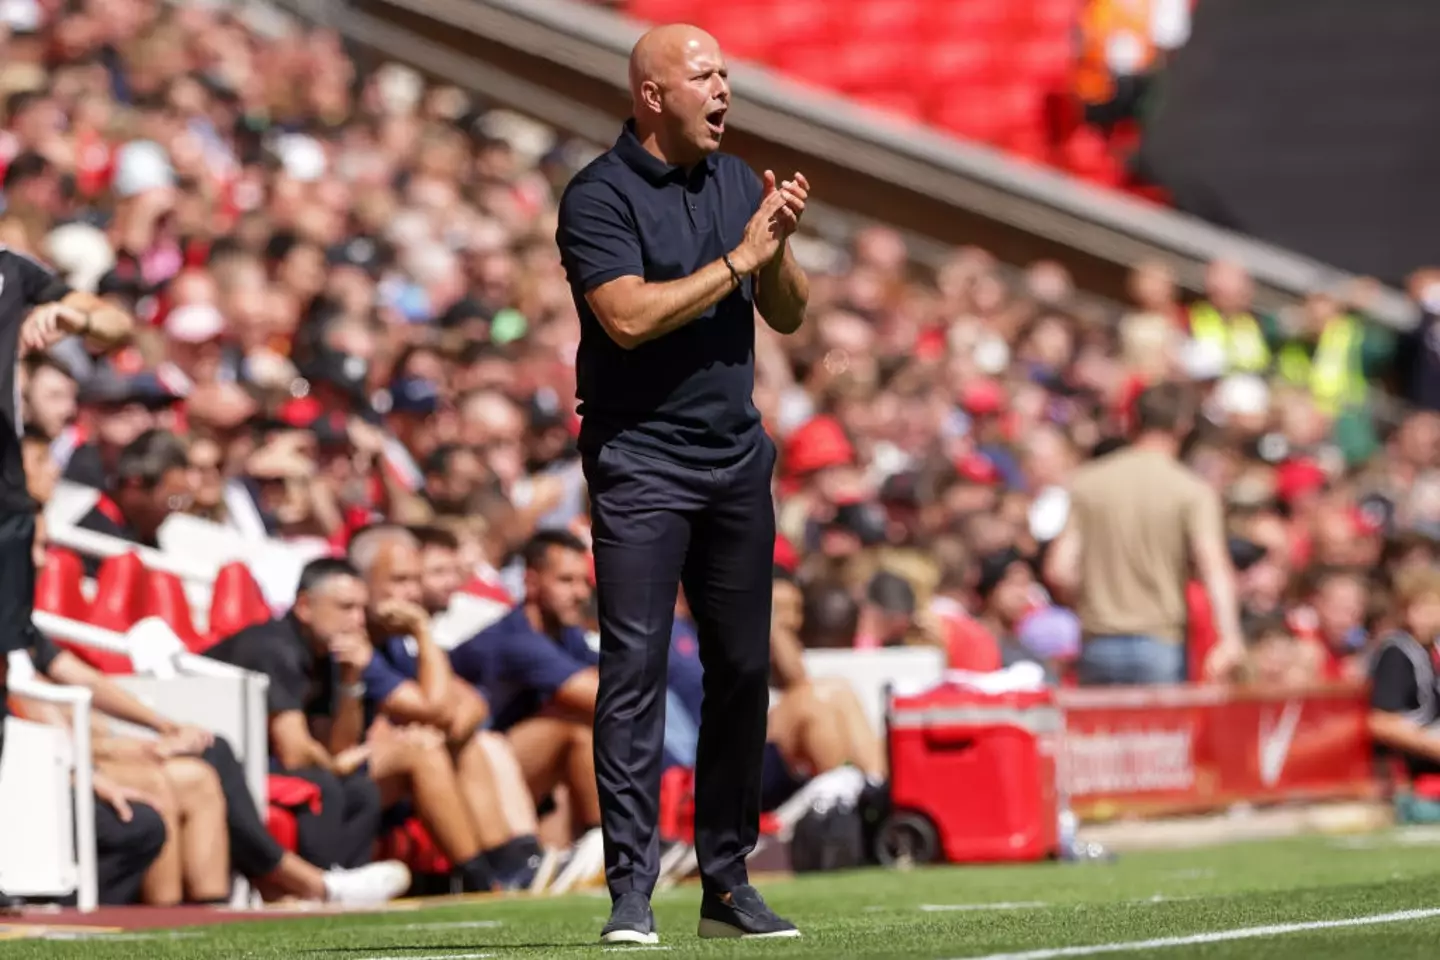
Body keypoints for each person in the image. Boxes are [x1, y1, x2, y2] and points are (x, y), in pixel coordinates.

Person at [555, 23, 809, 943]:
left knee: (742, 671)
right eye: (704, 75)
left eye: (727, 74)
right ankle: (631, 889)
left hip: (736, 459)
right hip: (641, 461)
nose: (724, 89)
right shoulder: (598, 195)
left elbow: (788, 314)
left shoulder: (738, 181)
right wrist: (737, 260)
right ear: (654, 95)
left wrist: (777, 245)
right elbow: (624, 318)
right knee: (635, 670)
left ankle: (726, 885)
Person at [24, 626, 411, 905]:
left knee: (201, 770)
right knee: (167, 779)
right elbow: (37, 706)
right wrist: (113, 749)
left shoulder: (21, 624)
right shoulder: (9, 625)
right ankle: (303, 884)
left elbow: (78, 679)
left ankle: (209, 914)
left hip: (75, 746)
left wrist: (166, 726)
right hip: (41, 758)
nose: (38, 558)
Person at [204, 557, 475, 888]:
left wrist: (351, 679)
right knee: (327, 785)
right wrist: (335, 764)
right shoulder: (272, 648)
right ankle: (325, 887)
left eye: (361, 609)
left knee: (361, 790)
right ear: (305, 606)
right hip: (225, 763)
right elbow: (295, 753)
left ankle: (349, 886)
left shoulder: (327, 653)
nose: (358, 621)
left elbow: (338, 745)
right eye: (346, 608)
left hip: (268, 764)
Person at [0, 246, 134, 907]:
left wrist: (69, 316)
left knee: (2, 673)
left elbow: (115, 326)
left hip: (2, 504)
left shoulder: (10, 272)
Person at [346, 525, 551, 891]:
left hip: (378, 772)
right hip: (340, 776)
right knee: (425, 748)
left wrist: (445, 719)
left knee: (471, 741)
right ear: (361, 584)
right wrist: (422, 629)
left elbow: (470, 703)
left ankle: (516, 861)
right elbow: (439, 708)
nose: (412, 592)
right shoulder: (354, 641)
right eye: (399, 580)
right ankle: (480, 878)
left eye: (414, 580)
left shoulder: (394, 643)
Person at [1045, 383, 1245, 684]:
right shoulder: (1191, 491)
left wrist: (1096, 605)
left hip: (1099, 641)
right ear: (1183, 425)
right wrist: (1229, 638)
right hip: (1160, 640)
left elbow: (1059, 570)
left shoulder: (1089, 482)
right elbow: (1213, 568)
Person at [447, 531, 604, 848]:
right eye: (566, 581)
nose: (580, 593)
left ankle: (570, 855)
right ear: (531, 582)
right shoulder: (515, 640)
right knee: (575, 728)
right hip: (463, 768)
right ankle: (610, 843)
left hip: (514, 765)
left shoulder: (565, 634)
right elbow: (604, 698)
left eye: (584, 582)